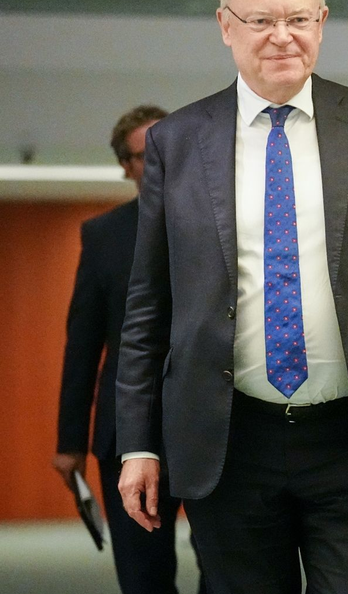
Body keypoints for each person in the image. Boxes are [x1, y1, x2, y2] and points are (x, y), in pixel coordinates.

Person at [114, 0, 348, 594]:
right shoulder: (176, 143)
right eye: (260, 20)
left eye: (299, 19)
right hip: (228, 442)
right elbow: (148, 307)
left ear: (322, 22)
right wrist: (139, 442)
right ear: (225, 26)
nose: (282, 37)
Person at [53, 105, 207, 594]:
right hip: (131, 428)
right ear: (126, 166)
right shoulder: (103, 235)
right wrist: (70, 442)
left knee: (230, 570)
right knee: (144, 575)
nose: (158, 165)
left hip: (214, 423)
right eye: (145, 157)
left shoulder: (225, 224)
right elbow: (83, 343)